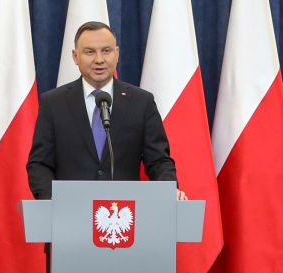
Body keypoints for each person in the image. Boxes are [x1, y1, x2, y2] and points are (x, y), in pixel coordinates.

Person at [27, 20, 185, 200]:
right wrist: (53, 203)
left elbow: (158, 161)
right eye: (89, 52)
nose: (99, 59)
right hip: (69, 214)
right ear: (75, 56)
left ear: (117, 54)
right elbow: (39, 164)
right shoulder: (54, 103)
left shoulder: (141, 102)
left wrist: (168, 190)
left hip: (123, 216)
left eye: (106, 51)